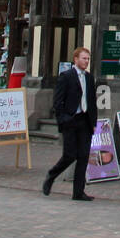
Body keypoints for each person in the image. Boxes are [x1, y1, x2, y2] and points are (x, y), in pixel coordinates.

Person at [42, 46, 98, 201]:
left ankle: (78, 192)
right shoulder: (66, 76)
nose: (86, 61)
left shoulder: (89, 77)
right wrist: (63, 119)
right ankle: (51, 175)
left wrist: (93, 121)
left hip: (85, 120)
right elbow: (58, 101)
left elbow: (92, 101)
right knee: (70, 155)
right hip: (71, 120)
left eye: (88, 59)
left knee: (83, 156)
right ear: (76, 59)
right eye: (83, 58)